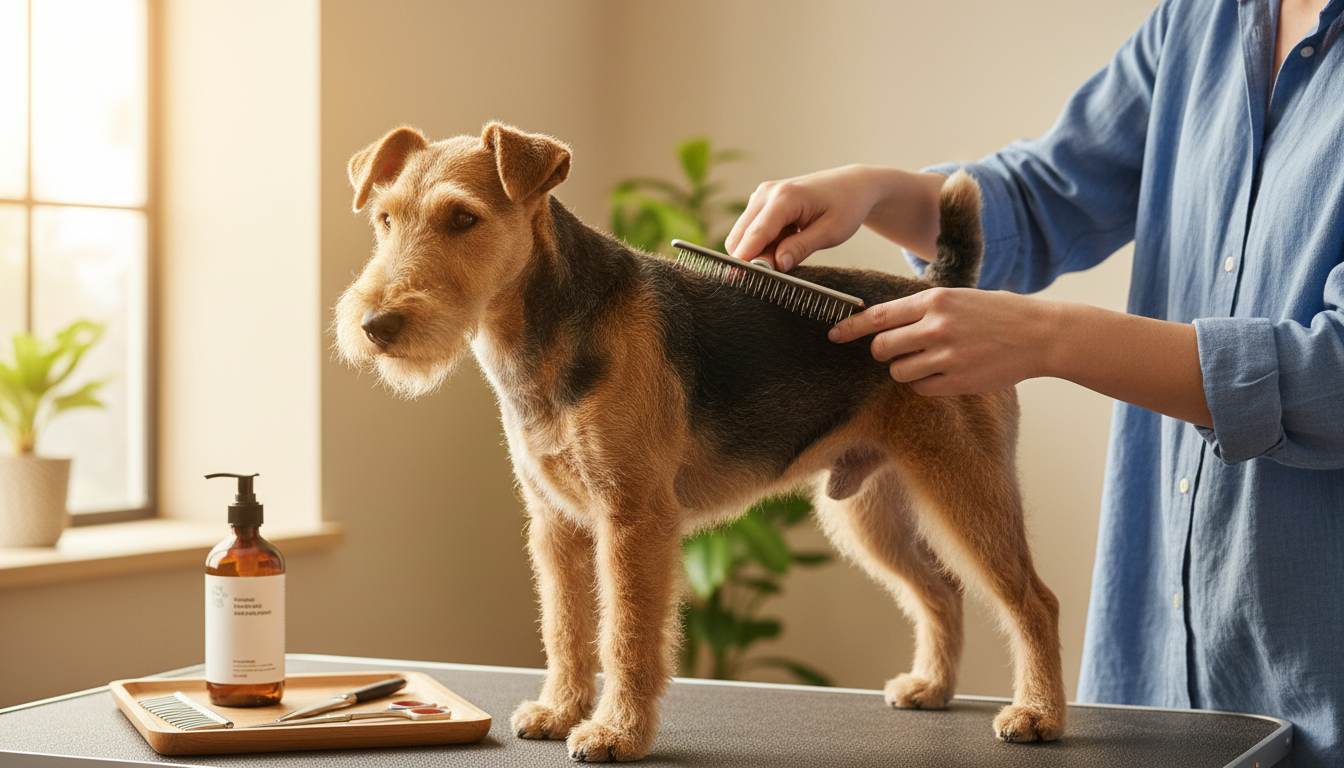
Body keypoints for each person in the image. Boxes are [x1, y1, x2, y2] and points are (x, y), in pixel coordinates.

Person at [726, 0, 1344, 765]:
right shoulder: (1201, 20)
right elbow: (1045, 194)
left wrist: (1050, 338)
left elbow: (1333, 376)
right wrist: (874, 190)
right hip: (1146, 686)